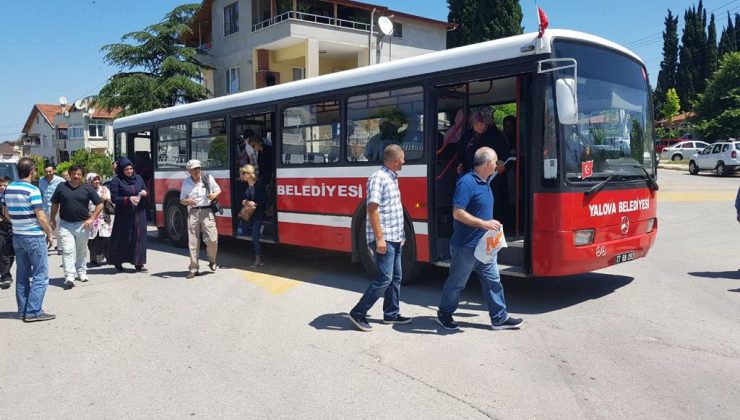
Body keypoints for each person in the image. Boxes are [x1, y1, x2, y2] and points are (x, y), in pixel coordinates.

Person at [437, 147, 523, 331]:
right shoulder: (466, 183)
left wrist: (491, 226)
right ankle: (444, 313)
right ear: (489, 163)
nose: (498, 164)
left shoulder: (484, 182)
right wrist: (484, 224)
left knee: (493, 281)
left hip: (485, 245)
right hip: (466, 246)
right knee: (456, 284)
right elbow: (457, 213)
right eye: (496, 161)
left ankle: (499, 317)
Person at [348, 144, 412, 331]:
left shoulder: (392, 178)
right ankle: (358, 312)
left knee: (396, 278)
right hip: (384, 238)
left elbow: (391, 210)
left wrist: (401, 235)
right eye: (402, 158)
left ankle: (391, 314)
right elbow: (372, 208)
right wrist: (380, 239)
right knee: (384, 278)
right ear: (395, 160)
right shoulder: (378, 178)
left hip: (395, 237)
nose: (404, 161)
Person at [2, 157, 54, 321]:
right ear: (32, 171)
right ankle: (33, 311)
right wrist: (49, 233)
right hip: (34, 236)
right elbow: (40, 215)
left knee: (22, 274)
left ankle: (23, 309)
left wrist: (17, 223)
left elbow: (5, 212)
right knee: (41, 274)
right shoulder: (33, 190)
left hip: (18, 235)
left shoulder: (8, 188)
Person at [50, 165, 103, 289]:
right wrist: (52, 218)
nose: (76, 176)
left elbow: (100, 204)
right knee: (68, 251)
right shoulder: (61, 187)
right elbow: (55, 203)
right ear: (69, 174)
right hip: (65, 225)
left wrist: (92, 218)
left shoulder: (87, 188)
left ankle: (81, 272)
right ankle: (69, 276)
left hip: (82, 225)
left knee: (82, 250)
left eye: (79, 174)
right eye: (73, 174)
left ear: (82, 176)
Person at [180, 159, 221, 279]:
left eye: (198, 168)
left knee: (212, 240)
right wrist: (187, 201)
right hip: (193, 212)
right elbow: (182, 199)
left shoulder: (208, 178)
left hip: (207, 211)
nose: (197, 170)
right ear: (189, 171)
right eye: (194, 169)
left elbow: (218, 190)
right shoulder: (186, 183)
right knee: (193, 242)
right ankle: (193, 268)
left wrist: (214, 195)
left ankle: (212, 260)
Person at [109, 158, 149, 272]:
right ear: (122, 170)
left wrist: (145, 193)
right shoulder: (117, 181)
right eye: (126, 169)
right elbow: (114, 198)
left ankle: (139, 263)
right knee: (123, 238)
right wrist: (128, 199)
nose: (130, 171)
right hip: (124, 214)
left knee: (139, 237)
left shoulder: (139, 178)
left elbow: (145, 190)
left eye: (131, 168)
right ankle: (118, 262)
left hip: (139, 213)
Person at [237, 165, 267, 267]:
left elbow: (264, 200)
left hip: (257, 214)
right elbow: (243, 197)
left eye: (244, 173)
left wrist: (255, 203)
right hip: (247, 213)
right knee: (239, 232)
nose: (242, 176)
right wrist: (244, 201)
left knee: (255, 237)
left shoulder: (259, 185)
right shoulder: (244, 185)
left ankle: (258, 259)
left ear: (249, 174)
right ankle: (256, 229)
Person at [86, 173, 113, 266]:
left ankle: (108, 258)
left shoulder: (105, 189)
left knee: (106, 239)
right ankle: (94, 259)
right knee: (93, 241)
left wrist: (105, 200)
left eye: (98, 179)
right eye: (94, 180)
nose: (97, 181)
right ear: (90, 181)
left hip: (104, 218)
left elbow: (108, 203)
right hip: (91, 218)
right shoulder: (86, 190)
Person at [39, 165, 64, 254]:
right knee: (46, 228)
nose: (48, 173)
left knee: (58, 228)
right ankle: (46, 247)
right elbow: (41, 194)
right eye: (46, 171)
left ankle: (60, 248)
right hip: (45, 208)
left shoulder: (60, 180)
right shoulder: (41, 180)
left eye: (50, 171)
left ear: (54, 171)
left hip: (57, 208)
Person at [0, 177, 15, 290]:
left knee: (11, 254)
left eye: (4, 185)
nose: (2, 187)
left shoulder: (13, 198)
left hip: (12, 227)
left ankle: (6, 273)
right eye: (0, 185)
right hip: (1, 228)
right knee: (3, 253)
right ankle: (5, 277)